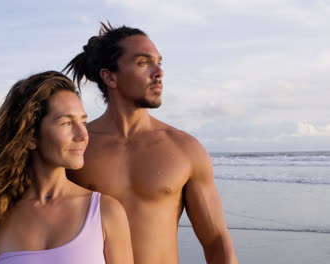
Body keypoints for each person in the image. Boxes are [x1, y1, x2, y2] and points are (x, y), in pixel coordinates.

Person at [64, 23, 238, 264]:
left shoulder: (185, 149)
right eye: (143, 62)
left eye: (159, 62)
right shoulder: (77, 147)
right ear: (110, 76)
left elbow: (216, 241)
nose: (159, 72)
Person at [0, 71, 133, 264]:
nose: (83, 135)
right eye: (67, 123)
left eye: (83, 122)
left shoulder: (105, 212)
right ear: (30, 137)